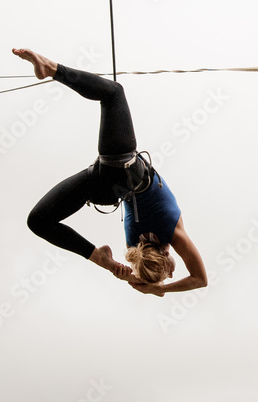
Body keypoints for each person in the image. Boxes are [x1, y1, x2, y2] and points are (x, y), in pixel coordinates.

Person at [12, 48, 207, 297]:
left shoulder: (174, 233)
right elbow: (145, 266)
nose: (172, 273)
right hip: (102, 187)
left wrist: (162, 288)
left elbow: (200, 279)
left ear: (167, 257)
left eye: (169, 272)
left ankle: (50, 68)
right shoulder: (132, 243)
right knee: (38, 222)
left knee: (114, 93)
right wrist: (139, 280)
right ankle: (100, 258)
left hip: (124, 168)